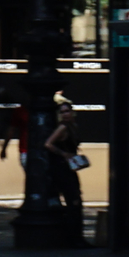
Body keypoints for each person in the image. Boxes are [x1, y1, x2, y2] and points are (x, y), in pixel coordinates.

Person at [44, 94, 88, 233]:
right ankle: (74, 235)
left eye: (67, 111)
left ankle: (76, 233)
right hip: (62, 167)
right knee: (73, 199)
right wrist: (64, 154)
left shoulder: (72, 126)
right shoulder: (62, 128)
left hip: (69, 167)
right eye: (62, 112)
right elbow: (48, 144)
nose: (65, 114)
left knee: (76, 199)